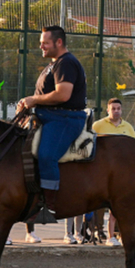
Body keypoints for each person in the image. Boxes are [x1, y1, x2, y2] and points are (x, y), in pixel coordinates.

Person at [16, 25, 88, 222]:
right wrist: (28, 104)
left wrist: (34, 100)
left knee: (46, 155)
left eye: (45, 43)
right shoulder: (53, 64)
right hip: (49, 116)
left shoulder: (66, 63)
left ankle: (49, 207)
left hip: (65, 118)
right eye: (41, 43)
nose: (41, 47)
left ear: (58, 42)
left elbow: (63, 94)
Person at [91, 97, 135, 246]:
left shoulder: (127, 127)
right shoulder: (98, 126)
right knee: (100, 203)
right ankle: (99, 230)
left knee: (119, 204)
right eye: (113, 109)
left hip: (121, 173)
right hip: (102, 173)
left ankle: (118, 234)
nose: (116, 111)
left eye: (118, 109)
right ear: (108, 110)